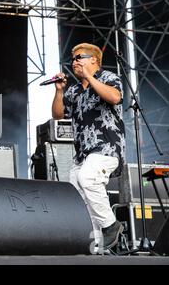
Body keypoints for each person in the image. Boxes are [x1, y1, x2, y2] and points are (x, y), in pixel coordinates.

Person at [51, 43, 126, 250]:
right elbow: (58, 115)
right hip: (82, 153)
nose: (74, 62)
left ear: (94, 60)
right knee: (79, 196)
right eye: (73, 59)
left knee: (88, 178)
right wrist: (59, 91)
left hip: (107, 147)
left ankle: (112, 225)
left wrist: (90, 77)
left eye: (79, 58)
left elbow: (115, 97)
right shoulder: (74, 90)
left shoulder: (108, 78)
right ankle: (95, 247)